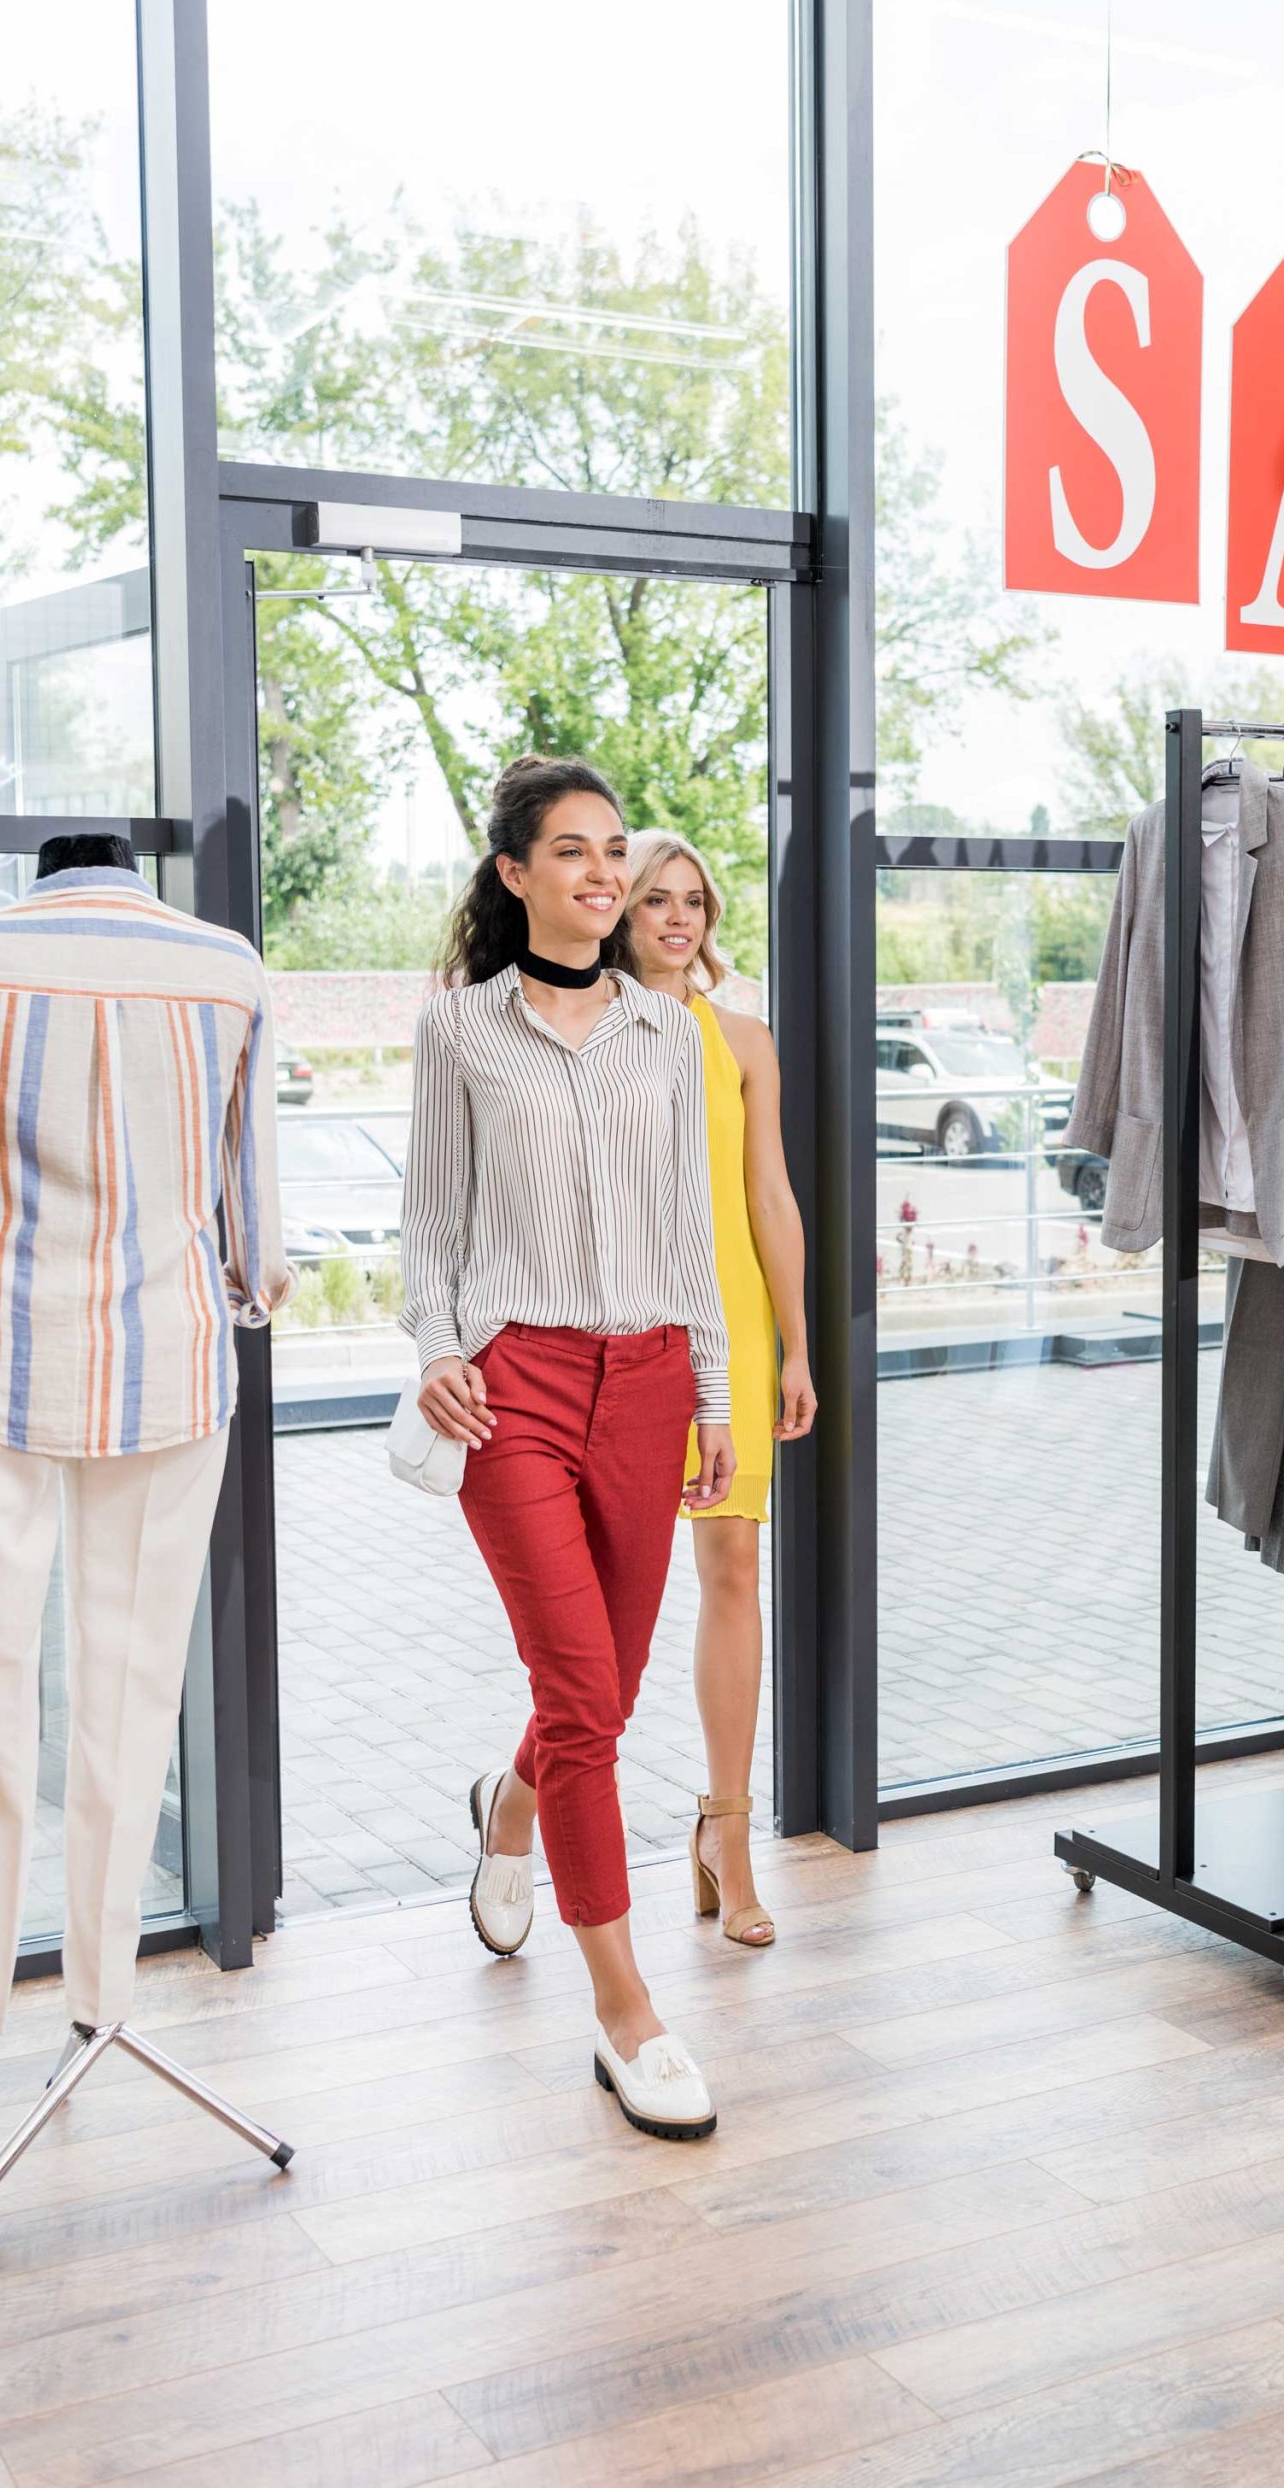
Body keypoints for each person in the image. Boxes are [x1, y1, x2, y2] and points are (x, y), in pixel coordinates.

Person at [400, 756, 736, 2142]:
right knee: (585, 1698)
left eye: (616, 853)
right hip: (515, 1388)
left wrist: (712, 1395)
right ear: (515, 876)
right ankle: (626, 2010)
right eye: (575, 854)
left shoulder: (672, 1036)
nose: (605, 875)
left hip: (651, 1378)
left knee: (607, 1687)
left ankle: (508, 1811)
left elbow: (687, 1234)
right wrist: (433, 1347)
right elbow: (431, 1222)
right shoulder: (461, 1032)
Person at [0, 833, 292, 2035]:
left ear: (43, 868)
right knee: (131, 1681)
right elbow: (257, 1226)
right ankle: (103, 1986)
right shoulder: (226, 964)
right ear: (135, 871)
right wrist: (246, 1279)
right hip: (171, 1359)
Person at [620, 830, 815, 1947]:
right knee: (613, 1591)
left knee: (733, 1561)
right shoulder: (586, 1027)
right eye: (654, 900)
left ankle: (727, 1833)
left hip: (731, 1321)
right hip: (624, 1319)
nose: (677, 919)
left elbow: (771, 1200)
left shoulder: (741, 1038)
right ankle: (523, 1801)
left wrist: (793, 1347)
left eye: (692, 900)